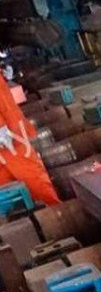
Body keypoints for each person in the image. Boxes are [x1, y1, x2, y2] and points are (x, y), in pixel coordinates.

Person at [0, 76, 59, 206]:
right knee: (27, 182)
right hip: (9, 139)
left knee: (28, 184)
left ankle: (56, 215)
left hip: (9, 138)